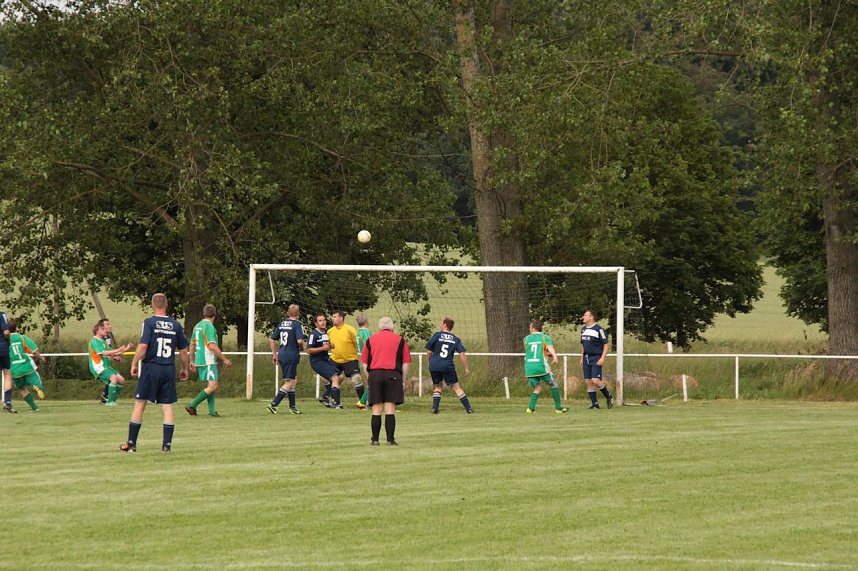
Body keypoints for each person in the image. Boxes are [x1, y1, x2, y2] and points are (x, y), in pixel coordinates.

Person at [120, 293, 189, 453]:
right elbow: (183, 351)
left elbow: (143, 346)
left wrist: (134, 362)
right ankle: (166, 446)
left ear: (152, 305)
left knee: (140, 404)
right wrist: (184, 369)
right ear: (167, 305)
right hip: (168, 368)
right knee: (167, 407)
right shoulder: (176, 325)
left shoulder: (149, 323)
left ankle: (131, 444)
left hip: (151, 367)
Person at [360, 316, 412, 445]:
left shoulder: (370, 340)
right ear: (392, 327)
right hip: (393, 375)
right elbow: (405, 363)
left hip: (375, 374)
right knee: (390, 408)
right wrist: (403, 380)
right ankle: (390, 440)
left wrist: (370, 377)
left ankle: (375, 440)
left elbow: (364, 363)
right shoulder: (400, 340)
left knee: (376, 409)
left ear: (379, 327)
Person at [185, 304, 233, 417]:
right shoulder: (209, 326)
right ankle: (192, 405)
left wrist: (191, 361)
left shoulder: (198, 326)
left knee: (211, 386)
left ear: (204, 313)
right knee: (213, 386)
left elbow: (192, 345)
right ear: (214, 315)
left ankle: (212, 412)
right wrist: (224, 359)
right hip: (208, 360)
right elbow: (212, 346)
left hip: (200, 360)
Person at [425, 317, 473, 414]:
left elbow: (429, 351)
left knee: (438, 386)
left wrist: (429, 362)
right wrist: (466, 368)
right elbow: (462, 353)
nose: (440, 324)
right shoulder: (455, 339)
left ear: (444, 325)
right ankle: (469, 409)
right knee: (456, 387)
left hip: (434, 365)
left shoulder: (437, 335)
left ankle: (435, 409)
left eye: (441, 323)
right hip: (447, 365)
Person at [266, 304, 305, 415]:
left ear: (288, 313)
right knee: (289, 382)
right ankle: (273, 404)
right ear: (298, 314)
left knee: (293, 380)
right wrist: (302, 348)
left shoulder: (282, 324)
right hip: (291, 355)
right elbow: (299, 341)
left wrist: (274, 354)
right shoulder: (298, 325)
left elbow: (272, 339)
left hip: (282, 354)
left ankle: (292, 407)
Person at [523, 320, 568, 414]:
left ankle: (530, 409)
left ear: (534, 328)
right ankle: (558, 408)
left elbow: (530, 352)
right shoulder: (544, 337)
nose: (529, 329)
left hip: (529, 367)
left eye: (530, 327)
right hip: (541, 366)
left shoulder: (526, 339)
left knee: (537, 387)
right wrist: (554, 356)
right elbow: (549, 348)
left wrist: (547, 354)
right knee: (553, 384)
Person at [88, 321, 133, 406]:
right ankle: (109, 402)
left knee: (121, 380)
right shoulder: (94, 341)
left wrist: (126, 349)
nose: (106, 330)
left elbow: (112, 353)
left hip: (106, 366)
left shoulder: (102, 341)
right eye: (103, 329)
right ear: (97, 330)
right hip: (99, 367)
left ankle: (113, 400)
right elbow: (103, 353)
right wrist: (118, 350)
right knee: (114, 378)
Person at [7, 320, 47, 412]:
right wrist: (41, 357)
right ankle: (37, 387)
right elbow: (34, 350)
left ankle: (35, 408)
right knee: (35, 378)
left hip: (14, 369)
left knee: (22, 389)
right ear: (16, 327)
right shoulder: (22, 338)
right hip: (26, 365)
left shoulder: (5, 340)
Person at [328, 310, 365, 409]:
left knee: (357, 378)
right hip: (335, 360)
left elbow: (358, 342)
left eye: (335, 316)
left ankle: (362, 402)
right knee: (332, 379)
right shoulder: (330, 331)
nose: (333, 318)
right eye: (333, 316)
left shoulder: (350, 330)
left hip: (350, 360)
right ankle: (334, 401)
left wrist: (362, 353)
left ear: (341, 318)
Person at [306, 313, 343, 409]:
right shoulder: (313, 335)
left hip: (326, 360)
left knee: (340, 377)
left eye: (324, 320)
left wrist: (330, 346)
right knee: (335, 377)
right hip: (317, 361)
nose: (323, 322)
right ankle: (337, 403)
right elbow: (309, 350)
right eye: (320, 320)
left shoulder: (326, 333)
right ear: (316, 323)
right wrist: (323, 348)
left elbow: (326, 346)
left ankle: (325, 396)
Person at [580, 309, 613, 409]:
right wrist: (581, 358)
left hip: (596, 357)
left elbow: (606, 345)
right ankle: (595, 404)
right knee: (588, 382)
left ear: (591, 317)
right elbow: (583, 345)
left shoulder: (599, 330)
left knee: (595, 380)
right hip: (586, 358)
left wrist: (602, 358)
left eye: (585, 315)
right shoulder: (583, 329)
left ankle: (609, 397)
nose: (583, 317)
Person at [97, 318, 122, 404]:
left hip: (106, 364)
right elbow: (102, 352)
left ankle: (107, 397)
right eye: (107, 324)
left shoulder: (107, 337)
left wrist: (114, 356)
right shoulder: (99, 339)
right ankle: (107, 399)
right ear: (101, 327)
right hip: (101, 366)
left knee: (119, 379)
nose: (110, 326)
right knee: (113, 378)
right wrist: (112, 355)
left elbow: (109, 349)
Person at [355, 314, 372, 409]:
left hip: (362, 358)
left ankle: (367, 401)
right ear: (366, 321)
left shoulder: (358, 332)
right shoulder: (366, 332)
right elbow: (369, 345)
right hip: (368, 359)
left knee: (372, 381)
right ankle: (362, 401)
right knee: (373, 381)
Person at [1, 308, 14, 413]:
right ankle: (7, 402)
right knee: (7, 373)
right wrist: (8, 339)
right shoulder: (1, 315)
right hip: (2, 348)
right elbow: (6, 332)